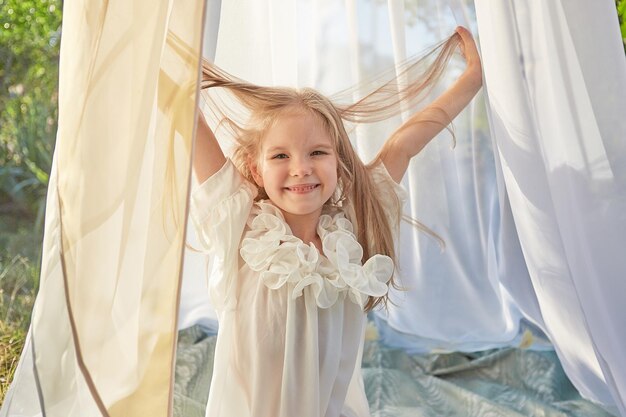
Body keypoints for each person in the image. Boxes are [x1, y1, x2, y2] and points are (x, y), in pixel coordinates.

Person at [190, 26, 482, 417]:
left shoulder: (353, 231)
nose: (301, 169)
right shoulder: (241, 227)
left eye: (317, 152)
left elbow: (403, 145)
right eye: (280, 156)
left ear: (338, 161)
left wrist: (473, 79)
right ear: (255, 170)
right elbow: (186, 113)